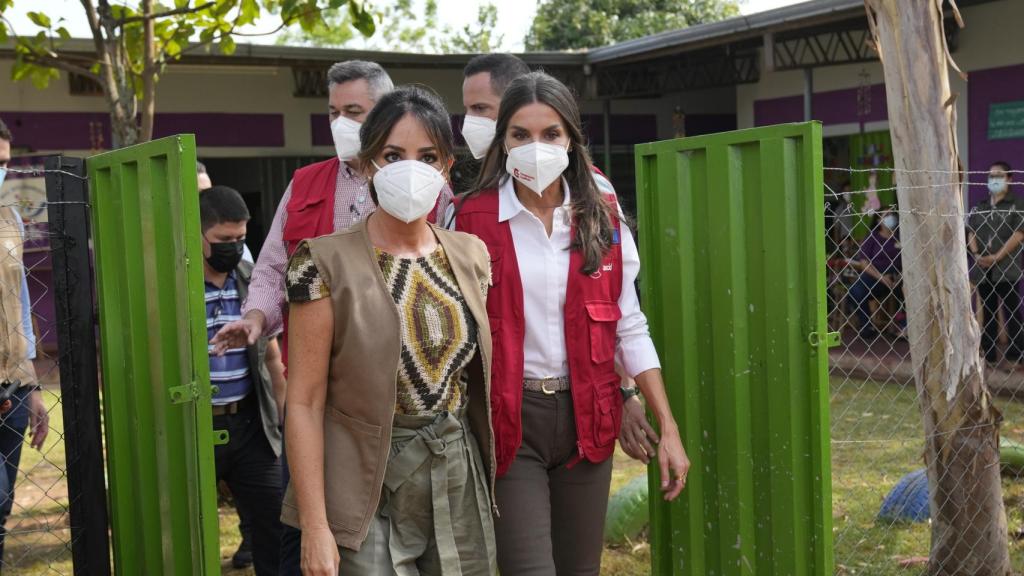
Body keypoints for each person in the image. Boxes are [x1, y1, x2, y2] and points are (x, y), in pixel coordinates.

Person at [452, 72, 688, 576]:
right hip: (508, 424)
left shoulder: (602, 216)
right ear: (503, 141)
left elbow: (628, 323)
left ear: (572, 141)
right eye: (520, 134)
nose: (535, 147)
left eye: (550, 134)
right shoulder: (469, 219)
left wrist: (664, 423)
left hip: (588, 419)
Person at [282, 85, 496, 575]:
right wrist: (315, 526)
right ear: (367, 163)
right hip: (363, 477)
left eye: (427, 156)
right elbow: (304, 401)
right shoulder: (320, 262)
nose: (410, 168)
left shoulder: (470, 254)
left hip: (455, 469)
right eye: (393, 154)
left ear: (446, 167)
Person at [458, 56, 657, 464]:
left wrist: (625, 393)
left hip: (583, 408)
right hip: (506, 415)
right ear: (505, 135)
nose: (469, 123)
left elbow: (614, 311)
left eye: (480, 109)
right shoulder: (466, 209)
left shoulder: (595, 198)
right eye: (468, 110)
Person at [196, 160, 279, 570]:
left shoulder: (252, 281)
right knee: (188, 530)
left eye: (240, 237)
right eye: (222, 238)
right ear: (197, 236)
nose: (233, 245)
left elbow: (273, 357)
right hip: (193, 426)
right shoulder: (176, 285)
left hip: (250, 425)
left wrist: (281, 425)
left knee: (274, 523)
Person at [0, 118, 50, 568]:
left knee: (2, 506)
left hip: (11, 387)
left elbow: (21, 304)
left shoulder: (9, 219)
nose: (1, 173)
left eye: (4, 164)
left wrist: (31, 386)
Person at [968, 161, 1024, 365]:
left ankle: (1016, 354)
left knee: (1012, 312)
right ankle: (989, 355)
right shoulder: (981, 206)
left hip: (1006, 269)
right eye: (991, 175)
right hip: (983, 269)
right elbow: (971, 230)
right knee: (989, 313)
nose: (994, 179)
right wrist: (976, 254)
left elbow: (1019, 234)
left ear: (1009, 178)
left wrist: (998, 256)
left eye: (999, 175)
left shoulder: (1016, 205)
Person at [847, 210, 903, 341]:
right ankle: (866, 326)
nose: (891, 218)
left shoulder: (901, 236)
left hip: (898, 276)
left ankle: (903, 327)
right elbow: (864, 262)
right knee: (855, 291)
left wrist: (899, 276)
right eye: (886, 216)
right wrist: (881, 277)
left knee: (905, 290)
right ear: (879, 221)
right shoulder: (873, 237)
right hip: (875, 276)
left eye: (892, 215)